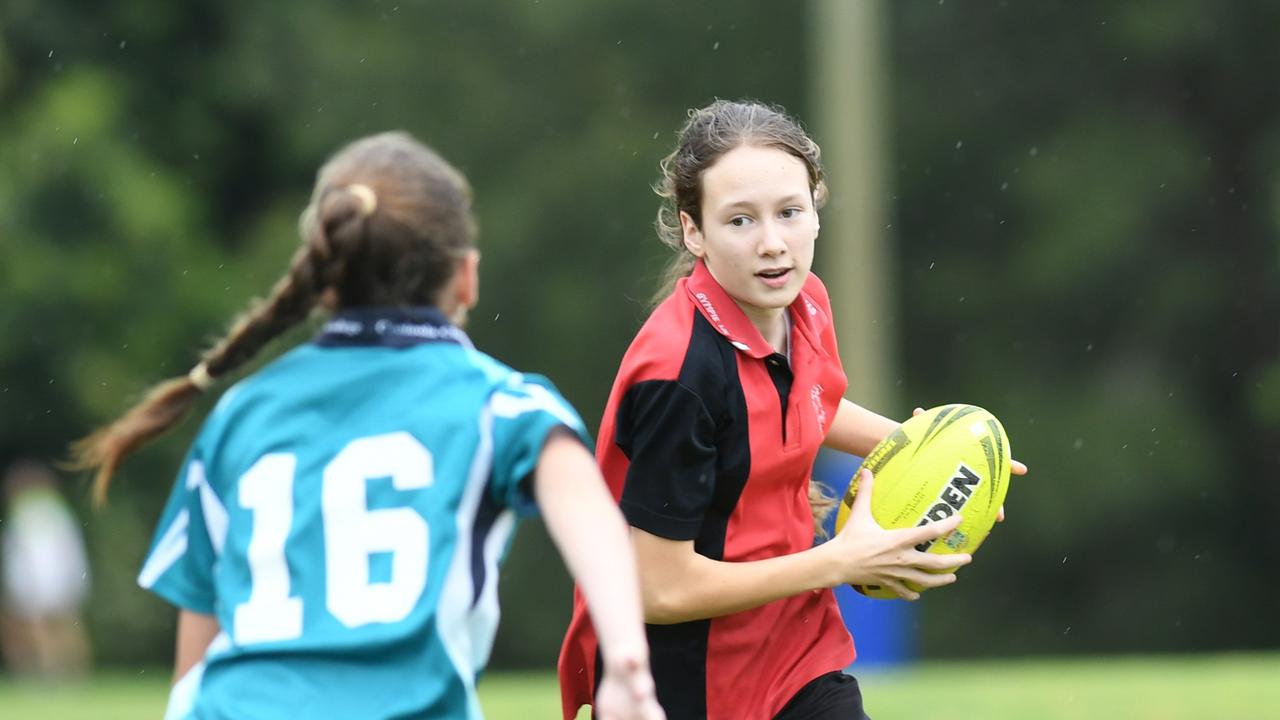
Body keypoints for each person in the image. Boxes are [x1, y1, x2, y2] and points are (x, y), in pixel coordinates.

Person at [70, 131, 664, 720]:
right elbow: (592, 517)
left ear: (325, 281)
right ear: (466, 278)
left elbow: (193, 669)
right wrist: (627, 666)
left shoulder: (240, 414)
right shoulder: (502, 404)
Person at [557, 100, 1027, 720]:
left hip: (799, 658)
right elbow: (657, 588)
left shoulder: (803, 303)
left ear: (816, 211)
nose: (773, 244)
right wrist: (840, 560)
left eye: (789, 212)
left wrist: (936, 453)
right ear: (693, 230)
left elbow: (800, 405)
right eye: (740, 221)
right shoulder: (679, 376)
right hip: (689, 683)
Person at [0, 459, 92, 680]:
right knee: (63, 627)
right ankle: (68, 673)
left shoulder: (33, 513)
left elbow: (32, 556)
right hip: (55, 579)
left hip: (40, 582)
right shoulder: (55, 511)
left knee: (44, 628)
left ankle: (52, 673)